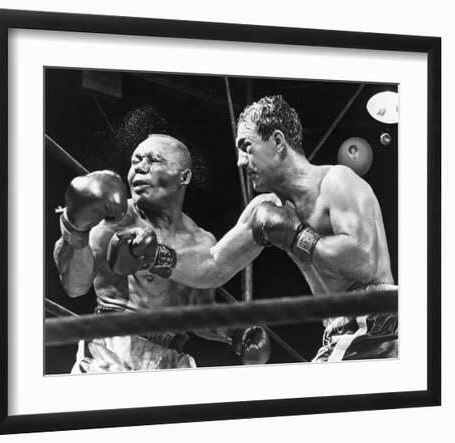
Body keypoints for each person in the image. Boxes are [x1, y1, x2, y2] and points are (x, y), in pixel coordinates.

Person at [127, 96, 397, 362]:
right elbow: (213, 265)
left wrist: (297, 236)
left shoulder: (336, 181)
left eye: (247, 147)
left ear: (278, 142)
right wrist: (156, 255)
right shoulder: (264, 208)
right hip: (337, 330)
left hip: (376, 322)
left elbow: (362, 262)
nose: (241, 162)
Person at [54, 134, 271, 372]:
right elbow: (74, 287)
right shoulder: (115, 220)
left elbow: (197, 314)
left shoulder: (201, 240)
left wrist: (233, 331)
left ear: (184, 177)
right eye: (135, 161)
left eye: (153, 160)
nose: (140, 169)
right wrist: (74, 229)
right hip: (111, 348)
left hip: (169, 357)